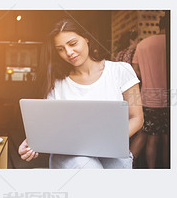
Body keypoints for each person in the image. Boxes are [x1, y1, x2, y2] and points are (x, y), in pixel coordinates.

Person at [18, 18, 144, 169]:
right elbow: (50, 127)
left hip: (111, 150)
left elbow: (137, 117)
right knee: (85, 165)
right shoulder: (56, 84)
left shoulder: (121, 71)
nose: (69, 52)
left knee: (119, 167)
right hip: (71, 156)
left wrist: (104, 142)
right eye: (60, 49)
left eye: (72, 44)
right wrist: (32, 142)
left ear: (86, 38)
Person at [131, 15, 169, 168]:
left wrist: (148, 75)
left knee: (152, 138)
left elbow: (135, 71)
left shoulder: (142, 44)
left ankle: (151, 171)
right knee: (168, 138)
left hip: (148, 99)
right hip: (170, 99)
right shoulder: (171, 42)